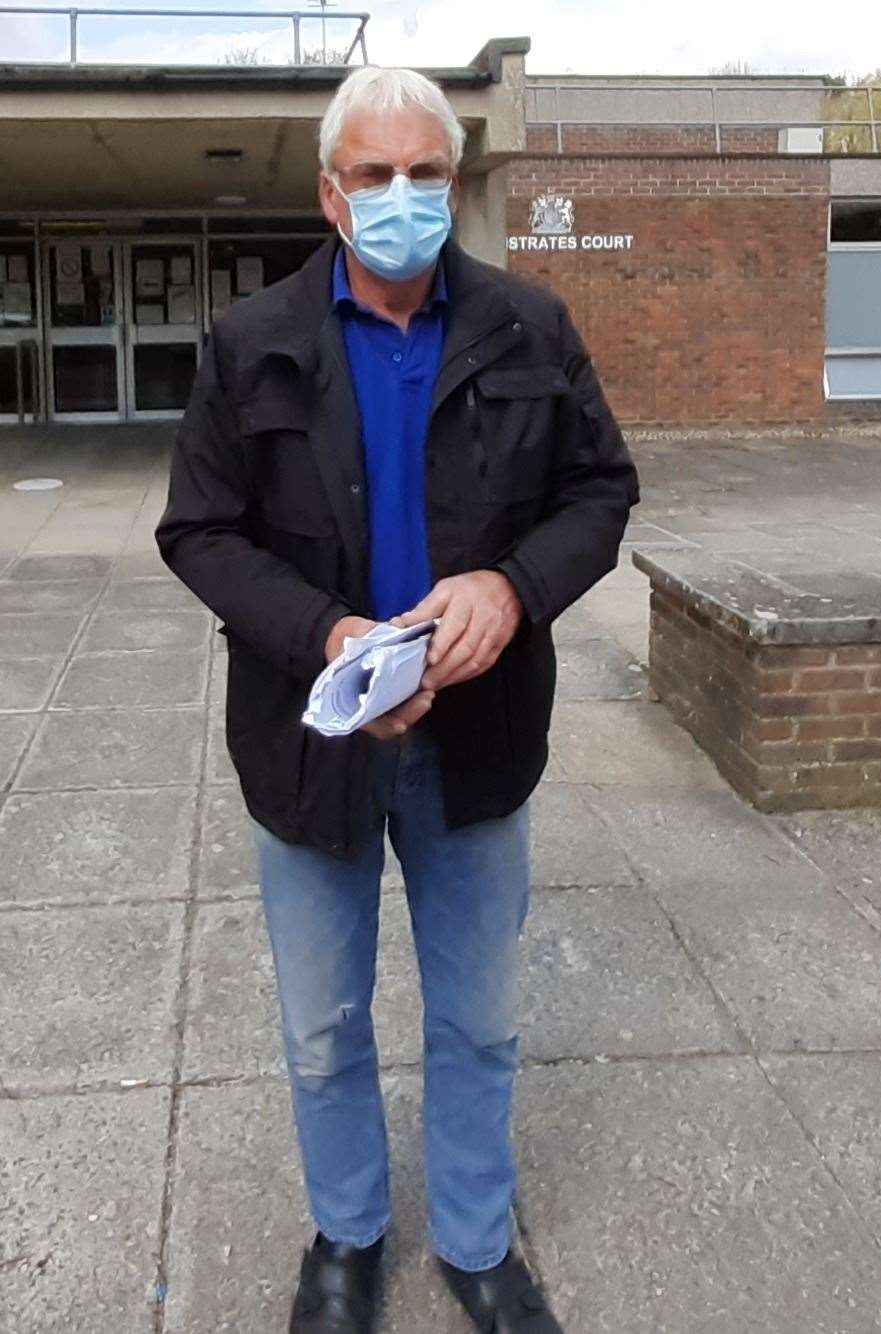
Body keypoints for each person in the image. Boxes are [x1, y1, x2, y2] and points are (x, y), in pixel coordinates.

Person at [157, 64, 638, 1334]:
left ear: (456, 182)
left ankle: (479, 1243)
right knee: (323, 1026)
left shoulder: (530, 325)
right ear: (330, 194)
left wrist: (514, 586)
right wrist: (323, 631)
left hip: (477, 736)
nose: (401, 197)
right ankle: (348, 1234)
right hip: (311, 738)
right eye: (373, 174)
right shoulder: (251, 342)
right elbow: (198, 532)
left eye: (426, 172)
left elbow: (601, 492)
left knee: (477, 1020)